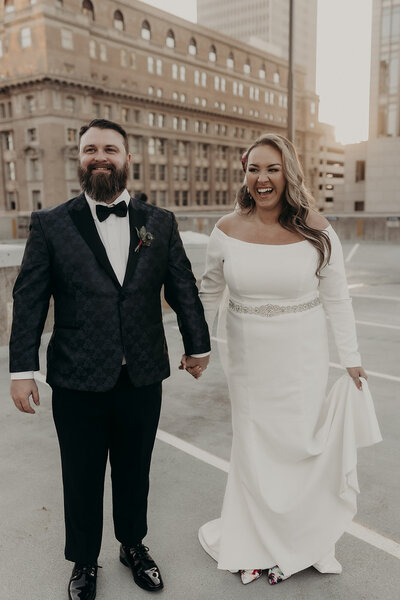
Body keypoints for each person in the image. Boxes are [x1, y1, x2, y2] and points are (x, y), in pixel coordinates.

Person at [9, 119, 210, 600]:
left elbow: (182, 285)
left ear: (126, 158)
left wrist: (197, 344)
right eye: (90, 149)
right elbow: (30, 300)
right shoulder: (51, 223)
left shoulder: (158, 222)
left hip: (142, 372)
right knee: (80, 473)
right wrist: (22, 370)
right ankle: (83, 560)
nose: (100, 157)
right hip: (77, 374)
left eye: (110, 149)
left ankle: (133, 545)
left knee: (134, 468)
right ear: (79, 159)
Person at [195, 133, 381, 586]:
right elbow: (209, 290)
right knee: (254, 444)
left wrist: (351, 358)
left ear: (288, 174)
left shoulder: (318, 229)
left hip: (302, 354)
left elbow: (337, 299)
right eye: (254, 169)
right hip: (246, 352)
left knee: (299, 444)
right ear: (245, 175)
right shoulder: (225, 230)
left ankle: (307, 539)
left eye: (272, 169)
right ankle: (254, 541)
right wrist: (197, 346)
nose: (262, 178)